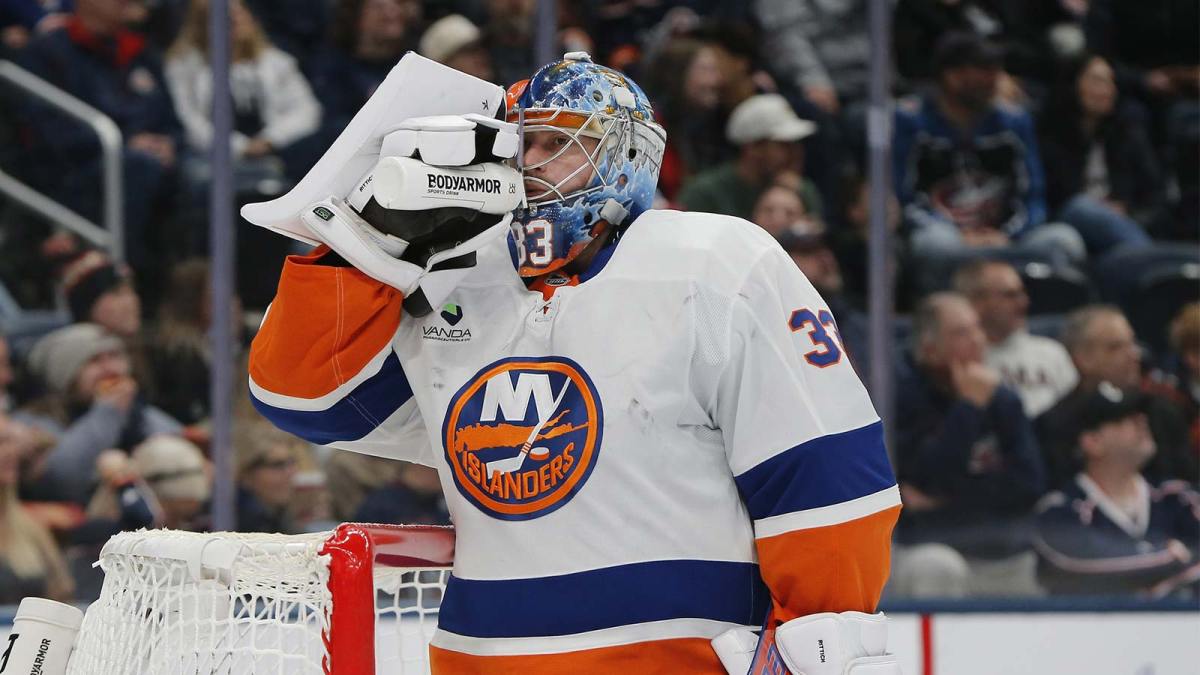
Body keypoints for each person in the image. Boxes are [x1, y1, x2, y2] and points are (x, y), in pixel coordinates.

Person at [247, 52, 900, 672]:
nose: (529, 165)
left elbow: (824, 477)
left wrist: (814, 638)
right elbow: (302, 398)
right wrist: (366, 244)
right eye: (521, 143)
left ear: (628, 154)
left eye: (558, 143)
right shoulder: (456, 278)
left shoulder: (717, 260)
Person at [17, 0, 183, 283]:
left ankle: (198, 290)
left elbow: (172, 122)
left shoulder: (141, 52)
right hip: (80, 173)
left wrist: (170, 143)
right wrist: (128, 143)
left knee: (205, 174)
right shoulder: (48, 52)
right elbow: (50, 132)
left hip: (146, 161)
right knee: (139, 168)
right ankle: (131, 283)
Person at [892, 293, 1046, 597]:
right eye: (961, 333)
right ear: (929, 347)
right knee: (937, 568)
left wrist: (946, 500)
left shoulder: (1002, 399)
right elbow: (927, 479)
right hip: (928, 543)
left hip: (997, 545)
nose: (978, 340)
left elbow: (1029, 484)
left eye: (977, 329)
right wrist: (969, 408)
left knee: (1033, 565)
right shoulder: (902, 397)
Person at [892, 31, 1084, 273]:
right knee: (934, 244)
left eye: (996, 68)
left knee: (1065, 240)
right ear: (952, 75)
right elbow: (904, 196)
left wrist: (1004, 234)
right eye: (984, 69)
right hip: (949, 238)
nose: (995, 78)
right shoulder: (911, 120)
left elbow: (1031, 195)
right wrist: (960, 235)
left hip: (1006, 239)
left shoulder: (1015, 121)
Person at [1034, 382, 1200, 596]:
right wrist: (1169, 557)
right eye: (1123, 419)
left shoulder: (1179, 498)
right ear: (1092, 442)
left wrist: (1166, 577)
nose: (1142, 421)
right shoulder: (1060, 510)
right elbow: (1080, 563)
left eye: (1141, 415)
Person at [17, 323, 182, 504]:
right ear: (66, 375)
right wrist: (108, 412)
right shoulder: (32, 420)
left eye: (115, 356)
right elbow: (62, 477)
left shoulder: (134, 410)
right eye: (94, 361)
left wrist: (132, 411)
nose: (110, 368)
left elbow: (180, 450)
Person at [165, 0, 322, 188]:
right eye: (227, 17)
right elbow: (190, 120)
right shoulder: (184, 65)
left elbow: (307, 110)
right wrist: (240, 147)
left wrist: (270, 139)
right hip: (211, 154)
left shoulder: (277, 61)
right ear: (203, 25)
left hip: (273, 149)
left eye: (239, 13)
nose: (236, 19)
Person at [1038, 306, 1194, 488]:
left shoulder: (1163, 411)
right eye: (1116, 347)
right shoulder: (1055, 424)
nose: (1134, 354)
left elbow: (1187, 483)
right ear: (1082, 358)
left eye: (1133, 343)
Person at [1038, 54, 1163, 253]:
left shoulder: (1128, 133)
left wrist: (1127, 211)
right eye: (1097, 81)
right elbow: (1052, 197)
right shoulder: (1049, 134)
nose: (1108, 90)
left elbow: (1155, 196)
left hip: (1120, 228)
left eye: (1111, 82)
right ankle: (1149, 258)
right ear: (1073, 86)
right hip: (1070, 224)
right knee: (1081, 208)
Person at [954, 259, 1078, 417]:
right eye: (1010, 295)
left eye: (1022, 293)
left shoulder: (1052, 352)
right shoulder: (959, 360)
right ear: (977, 302)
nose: (1023, 302)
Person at [678, 93, 820, 221]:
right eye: (783, 144)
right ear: (753, 147)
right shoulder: (706, 193)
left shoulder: (801, 190)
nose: (793, 152)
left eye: (794, 144)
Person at [0, 412, 74, 604]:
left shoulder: (28, 526)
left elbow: (62, 594)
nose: (10, 451)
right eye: (1, 442)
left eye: (10, 442)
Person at [234, 421, 303, 533]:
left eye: (291, 462)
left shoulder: (278, 513)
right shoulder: (229, 520)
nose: (290, 472)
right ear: (246, 474)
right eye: (277, 465)